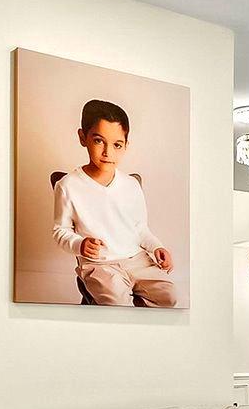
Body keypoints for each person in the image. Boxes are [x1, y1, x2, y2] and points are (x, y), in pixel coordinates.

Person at [51, 98, 177, 307]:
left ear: (126, 145)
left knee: (169, 298)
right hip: (100, 265)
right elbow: (60, 231)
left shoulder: (131, 185)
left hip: (137, 260)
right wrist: (79, 244)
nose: (108, 153)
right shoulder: (68, 185)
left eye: (117, 144)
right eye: (99, 141)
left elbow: (140, 229)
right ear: (83, 138)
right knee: (116, 305)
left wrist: (157, 247)